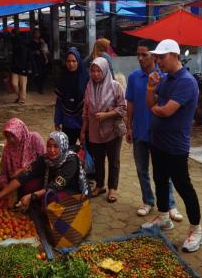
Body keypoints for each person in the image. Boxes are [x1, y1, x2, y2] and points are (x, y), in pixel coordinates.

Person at [143, 39, 202, 253]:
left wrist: (156, 106)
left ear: (175, 55)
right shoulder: (166, 79)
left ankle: (196, 229)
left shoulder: (186, 82)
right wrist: (151, 88)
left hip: (176, 145)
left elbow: (165, 110)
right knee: (159, 179)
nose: (157, 61)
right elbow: (151, 103)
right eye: (157, 57)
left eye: (162, 56)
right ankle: (163, 217)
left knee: (183, 186)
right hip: (158, 141)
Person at [126, 39, 182, 220]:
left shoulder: (164, 77)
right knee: (142, 169)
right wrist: (128, 126)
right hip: (140, 131)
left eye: (145, 55)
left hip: (160, 133)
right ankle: (148, 200)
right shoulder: (134, 77)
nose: (140, 58)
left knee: (164, 171)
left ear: (154, 56)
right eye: (138, 54)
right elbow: (131, 103)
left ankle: (170, 204)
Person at [0, 131, 89, 210]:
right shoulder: (45, 158)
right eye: (49, 146)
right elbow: (23, 176)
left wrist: (31, 196)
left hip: (70, 189)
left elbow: (55, 186)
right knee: (28, 185)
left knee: (51, 199)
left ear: (63, 146)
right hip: (51, 184)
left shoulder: (71, 161)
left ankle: (47, 212)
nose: (51, 150)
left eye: (56, 146)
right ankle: (35, 205)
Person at [80, 57, 126, 203]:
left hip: (112, 130)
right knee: (98, 160)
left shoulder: (115, 86)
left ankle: (113, 188)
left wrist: (106, 115)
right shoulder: (89, 87)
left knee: (113, 160)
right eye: (92, 71)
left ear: (105, 70)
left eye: (98, 70)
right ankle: (100, 186)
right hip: (94, 131)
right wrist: (83, 131)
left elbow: (123, 108)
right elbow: (86, 111)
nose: (95, 74)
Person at [55, 47, 89, 146]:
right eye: (68, 61)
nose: (71, 64)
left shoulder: (86, 78)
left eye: (74, 61)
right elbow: (59, 101)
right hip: (68, 122)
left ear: (78, 62)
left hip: (83, 123)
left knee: (87, 152)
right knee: (68, 151)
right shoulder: (63, 78)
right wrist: (57, 120)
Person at [0, 118, 45, 187]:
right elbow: (3, 173)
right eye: (8, 136)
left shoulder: (34, 139)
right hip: (15, 185)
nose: (11, 140)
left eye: (13, 135)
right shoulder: (7, 149)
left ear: (20, 132)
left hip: (35, 180)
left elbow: (44, 161)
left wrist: (22, 170)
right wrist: (5, 186)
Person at [10, 25, 34, 104]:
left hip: (24, 68)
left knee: (23, 86)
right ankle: (20, 97)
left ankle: (22, 100)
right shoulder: (15, 48)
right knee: (14, 84)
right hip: (15, 69)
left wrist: (32, 69)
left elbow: (30, 60)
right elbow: (13, 59)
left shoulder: (27, 49)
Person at [31, 28, 50, 94]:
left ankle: (40, 86)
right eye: (36, 33)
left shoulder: (41, 41)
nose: (37, 34)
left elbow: (46, 49)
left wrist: (46, 58)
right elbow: (29, 51)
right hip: (35, 60)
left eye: (38, 33)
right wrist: (34, 52)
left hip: (42, 59)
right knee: (38, 74)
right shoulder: (31, 42)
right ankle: (39, 88)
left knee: (44, 73)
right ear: (33, 34)